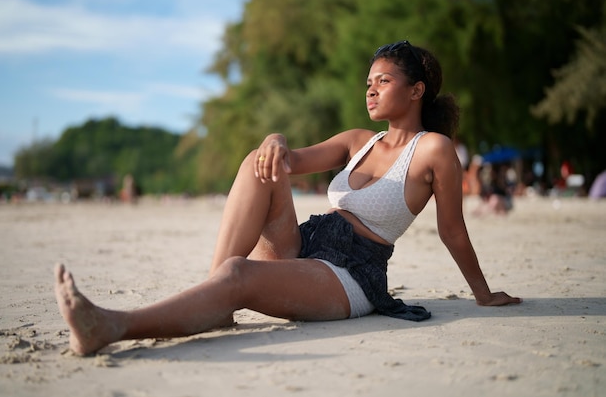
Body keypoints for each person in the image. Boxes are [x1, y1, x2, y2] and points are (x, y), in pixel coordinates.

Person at [55, 41, 521, 356]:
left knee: (238, 273)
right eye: (368, 82)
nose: (371, 90)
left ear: (416, 90)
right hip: (306, 243)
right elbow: (287, 160)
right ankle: (214, 300)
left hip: (351, 274)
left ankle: (113, 326)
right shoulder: (358, 139)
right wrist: (275, 138)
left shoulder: (434, 150)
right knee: (259, 161)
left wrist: (483, 294)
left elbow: (452, 230)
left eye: (383, 81)